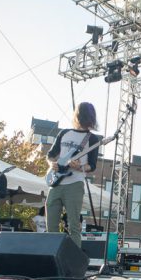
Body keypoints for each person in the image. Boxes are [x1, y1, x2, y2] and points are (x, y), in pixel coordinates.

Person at [46, 102, 99, 248]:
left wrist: (80, 166)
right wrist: (52, 164)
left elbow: (92, 166)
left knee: (74, 226)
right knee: (51, 225)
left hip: (74, 184)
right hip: (55, 183)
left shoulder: (92, 139)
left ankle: (73, 261)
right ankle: (52, 257)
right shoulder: (64, 133)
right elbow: (50, 155)